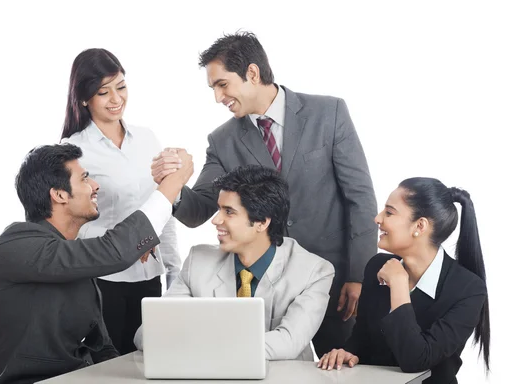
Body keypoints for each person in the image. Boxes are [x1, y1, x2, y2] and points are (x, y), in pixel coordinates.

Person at [151, 31, 377, 356]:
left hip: (335, 278)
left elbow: (361, 199)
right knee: (270, 361)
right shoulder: (223, 140)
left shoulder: (329, 114)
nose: (218, 97)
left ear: (252, 74)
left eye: (222, 84)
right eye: (213, 88)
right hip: (268, 284)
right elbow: (198, 208)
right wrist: (170, 185)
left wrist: (358, 275)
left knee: (339, 366)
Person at [0, 143, 193, 384]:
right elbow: (115, 250)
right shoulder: (15, 243)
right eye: (84, 179)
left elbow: (102, 349)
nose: (95, 186)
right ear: (59, 195)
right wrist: (171, 185)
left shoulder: (76, 259)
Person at [134, 165, 335, 360]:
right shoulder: (198, 262)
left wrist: (196, 343)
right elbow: (147, 335)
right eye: (219, 209)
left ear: (262, 222)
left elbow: (288, 342)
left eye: (229, 212)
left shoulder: (314, 272)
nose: (215, 220)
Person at [60, 48, 181, 355]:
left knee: (150, 363)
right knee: (108, 367)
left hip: (149, 278)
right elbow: (69, 225)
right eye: (104, 92)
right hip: (103, 282)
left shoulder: (147, 138)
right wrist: (132, 242)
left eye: (121, 87)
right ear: (85, 97)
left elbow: (163, 207)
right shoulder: (72, 150)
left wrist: (174, 271)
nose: (116, 99)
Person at [318, 178, 490, 384]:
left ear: (420, 225)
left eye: (389, 212)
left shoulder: (468, 289)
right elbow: (361, 338)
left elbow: (416, 360)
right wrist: (346, 353)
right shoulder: (377, 266)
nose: (377, 218)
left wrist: (398, 285)